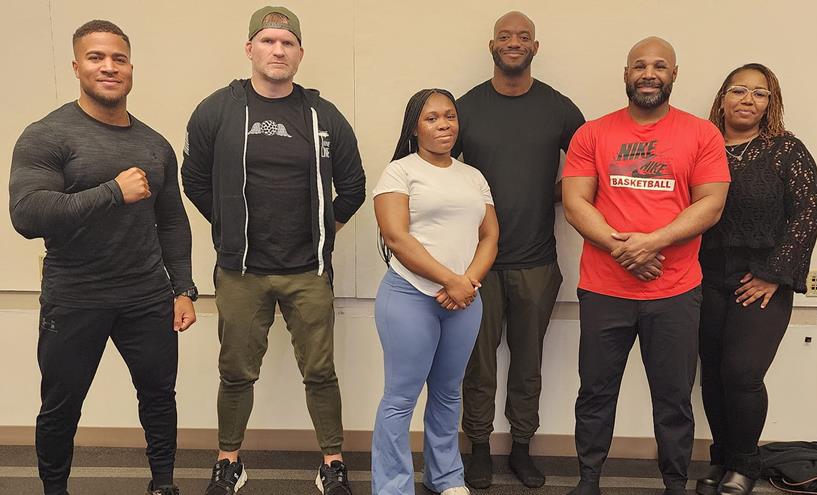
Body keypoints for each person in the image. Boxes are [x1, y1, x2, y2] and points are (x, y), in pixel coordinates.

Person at [180, 6, 365, 495]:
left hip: (308, 271)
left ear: (300, 53)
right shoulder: (218, 109)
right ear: (250, 49)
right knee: (236, 371)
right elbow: (193, 178)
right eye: (268, 41)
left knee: (320, 371)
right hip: (241, 272)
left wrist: (324, 230)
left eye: (287, 43)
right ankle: (229, 461)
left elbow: (353, 185)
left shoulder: (322, 115)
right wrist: (228, 228)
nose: (278, 50)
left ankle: (332, 462)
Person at [9, 20, 197, 495]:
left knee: (158, 398)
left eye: (118, 58)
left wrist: (184, 288)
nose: (108, 67)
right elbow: (28, 215)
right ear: (77, 67)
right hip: (75, 297)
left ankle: (163, 484)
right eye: (96, 58)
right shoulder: (47, 134)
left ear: (131, 67)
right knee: (61, 405)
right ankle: (55, 490)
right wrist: (112, 192)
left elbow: (172, 221)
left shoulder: (154, 144)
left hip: (146, 296)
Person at [561, 37, 731, 495]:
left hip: (675, 291)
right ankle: (588, 480)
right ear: (626, 73)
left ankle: (675, 483)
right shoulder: (593, 133)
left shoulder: (701, 134)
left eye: (660, 65)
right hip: (604, 290)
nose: (649, 73)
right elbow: (575, 202)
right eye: (640, 65)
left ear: (675, 74)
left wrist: (651, 242)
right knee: (595, 392)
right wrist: (626, 251)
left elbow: (711, 204)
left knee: (674, 398)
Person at [454, 11, 585, 488]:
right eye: (505, 36)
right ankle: (480, 448)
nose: (514, 43)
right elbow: (438, 168)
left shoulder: (559, 109)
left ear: (536, 46)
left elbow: (588, 168)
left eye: (523, 37)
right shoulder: (465, 107)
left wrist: (555, 193)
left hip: (537, 261)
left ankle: (523, 448)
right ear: (492, 45)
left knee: (529, 363)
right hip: (477, 264)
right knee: (479, 363)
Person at [695, 63, 817, 495]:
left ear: (771, 103)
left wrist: (773, 274)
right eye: (738, 90)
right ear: (723, 98)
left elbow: (809, 212)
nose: (748, 100)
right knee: (711, 375)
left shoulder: (786, 150)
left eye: (759, 93)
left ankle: (745, 465)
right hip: (705, 274)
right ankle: (722, 459)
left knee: (742, 373)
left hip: (762, 278)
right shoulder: (703, 144)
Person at [371, 88, 499, 495]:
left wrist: (468, 282)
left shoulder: (473, 176)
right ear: (414, 126)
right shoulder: (399, 172)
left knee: (447, 393)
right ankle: (393, 486)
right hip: (410, 298)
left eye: (450, 116)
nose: (444, 125)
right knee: (400, 398)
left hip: (464, 300)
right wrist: (451, 280)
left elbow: (491, 235)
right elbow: (396, 236)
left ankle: (446, 478)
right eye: (432, 118)